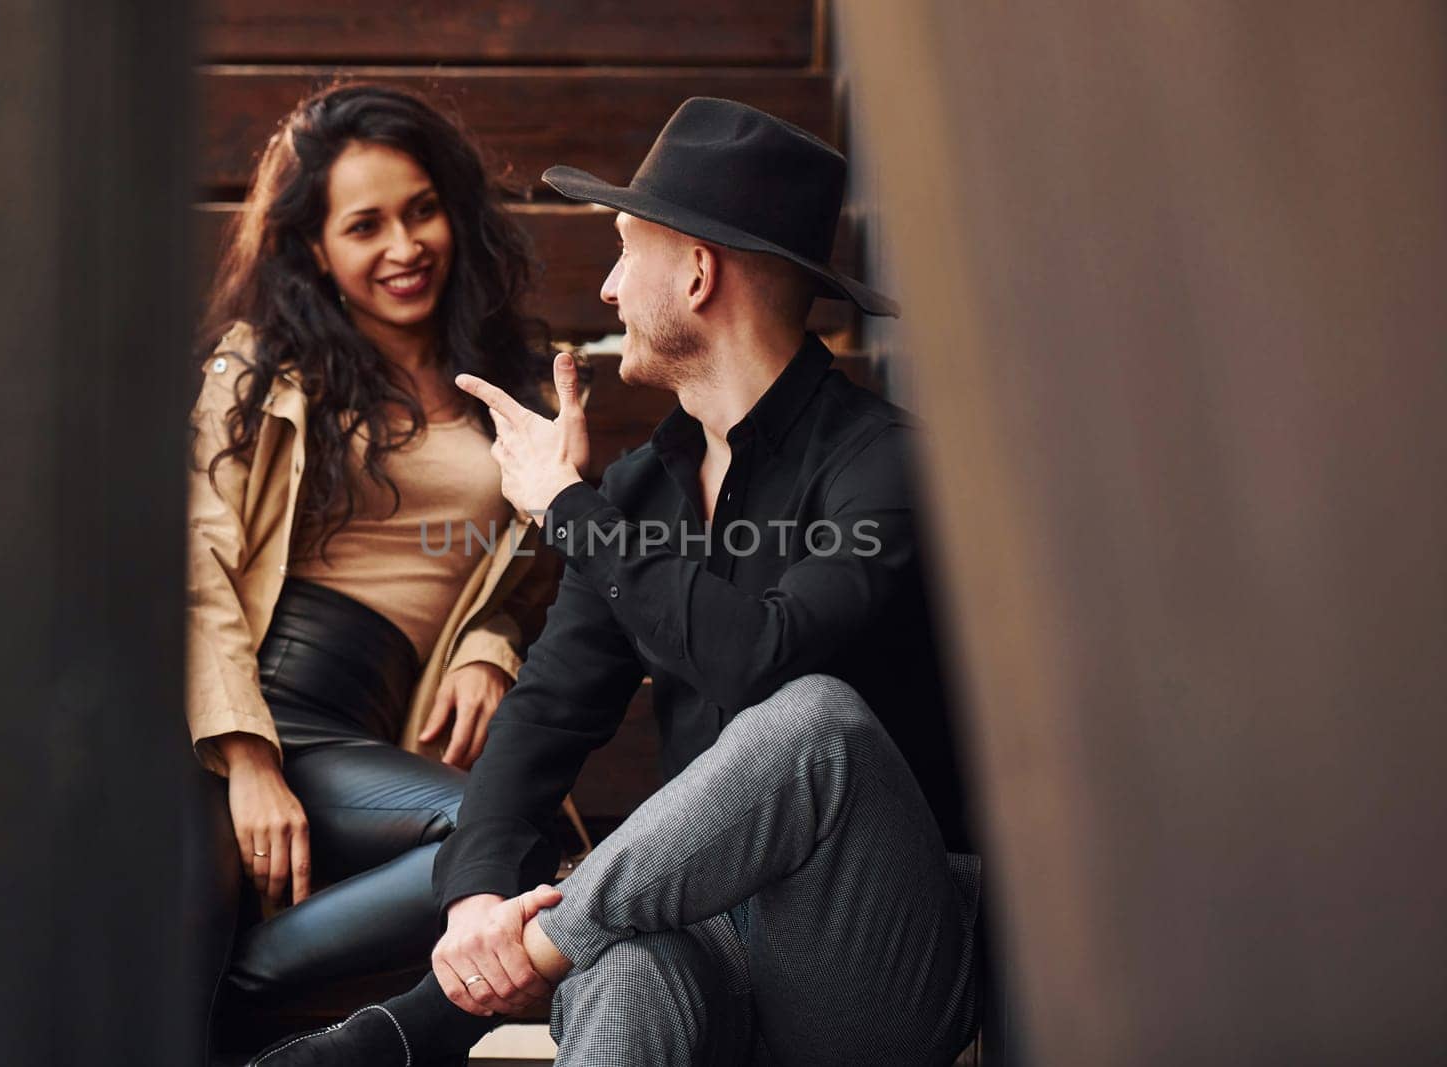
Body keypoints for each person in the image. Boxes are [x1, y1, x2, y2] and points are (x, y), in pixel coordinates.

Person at [247, 97, 980, 1067]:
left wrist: (565, 507)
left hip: (867, 967)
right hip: (712, 942)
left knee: (814, 721)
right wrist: (476, 914)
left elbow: (758, 656)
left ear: (696, 270)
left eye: (624, 252)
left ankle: (425, 1023)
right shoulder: (640, 492)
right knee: (622, 959)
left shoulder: (881, 464)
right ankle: (495, 977)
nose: (604, 289)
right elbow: (546, 715)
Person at [184, 83, 565, 1053]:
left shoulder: (507, 381)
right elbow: (196, 557)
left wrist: (490, 639)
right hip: (243, 713)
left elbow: (529, 569)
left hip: (373, 727)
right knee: (503, 843)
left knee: (519, 843)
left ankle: (249, 983)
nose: (404, 246)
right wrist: (248, 756)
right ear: (315, 247)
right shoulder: (263, 366)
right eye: (365, 225)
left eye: (421, 209)